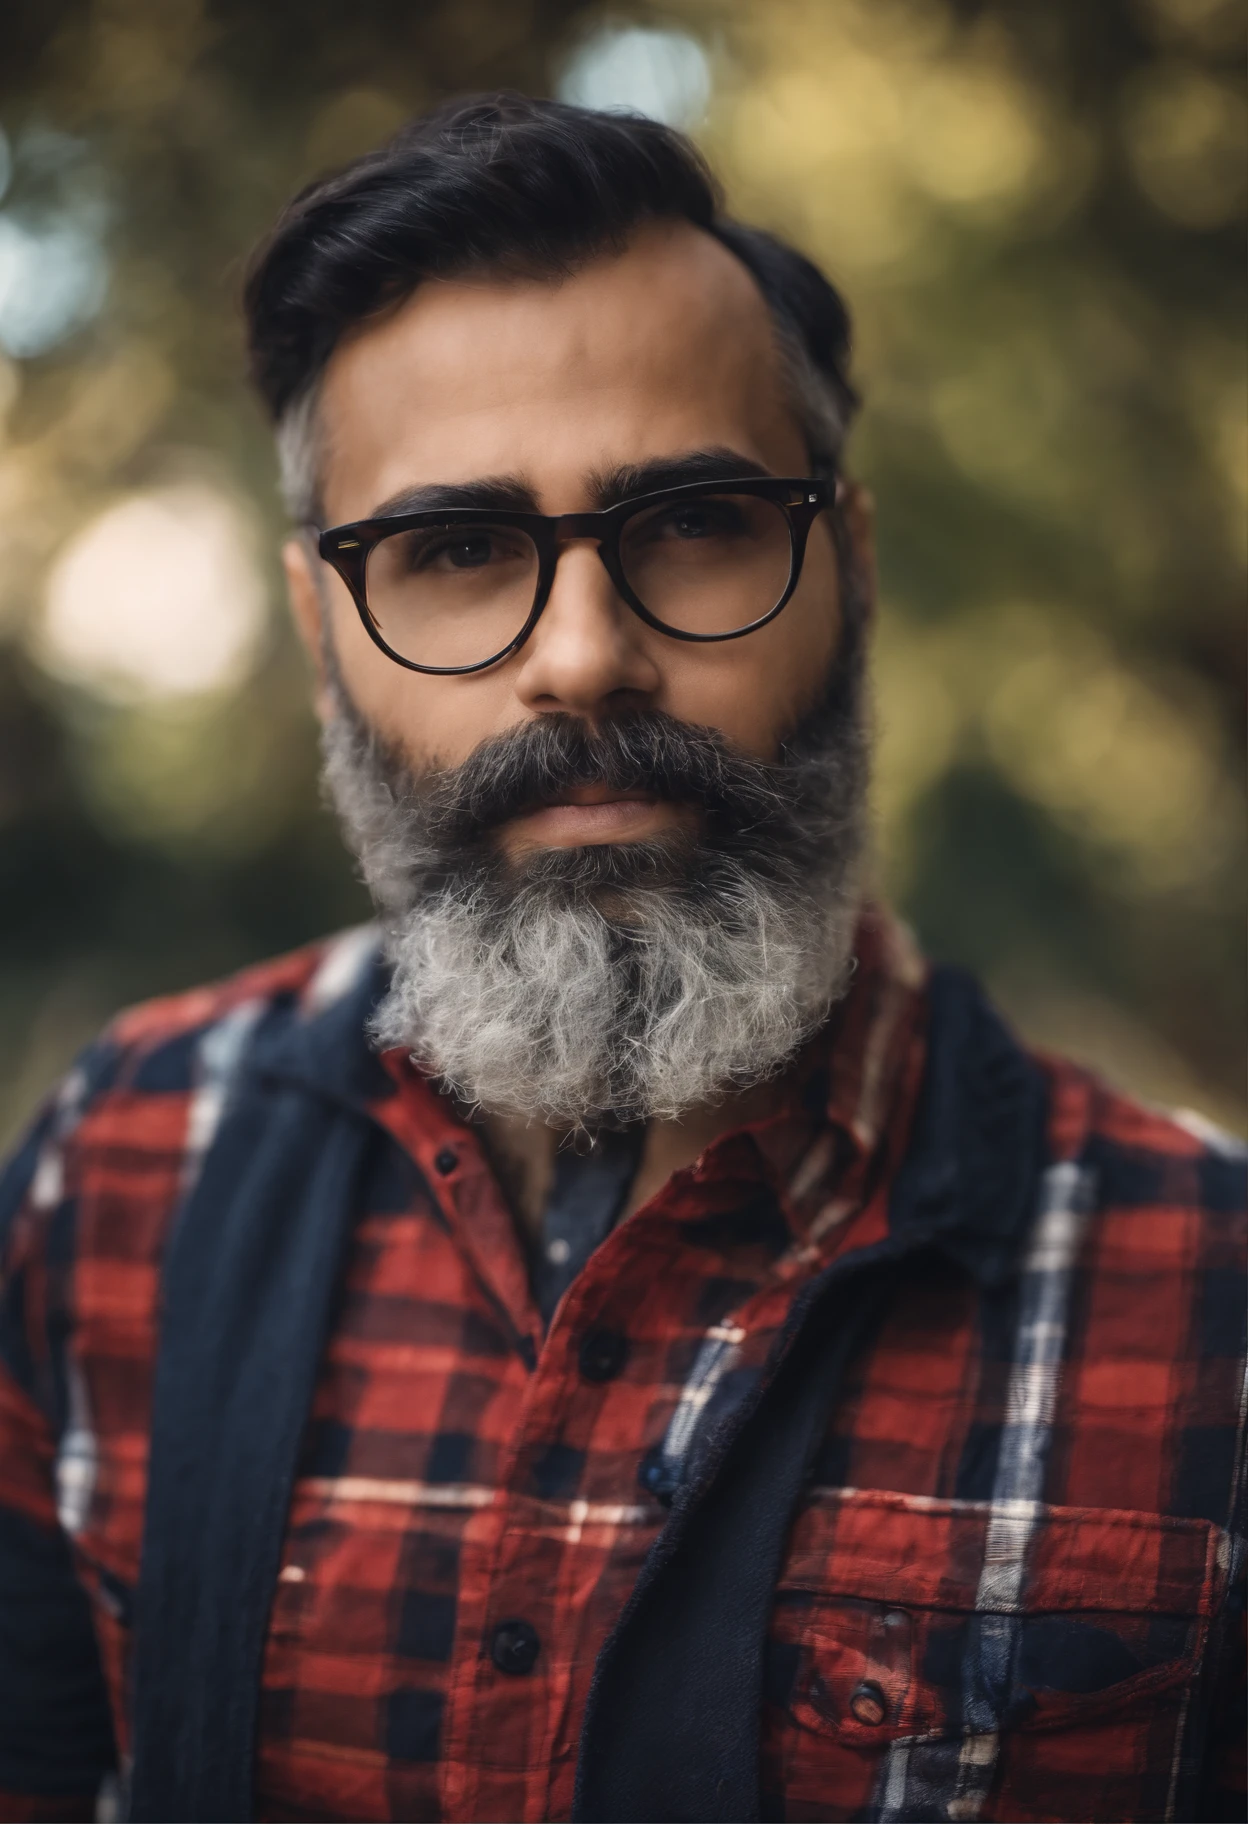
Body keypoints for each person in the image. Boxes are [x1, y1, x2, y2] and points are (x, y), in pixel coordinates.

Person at [0, 93, 1242, 1824]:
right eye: (451, 552)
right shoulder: (109, 1175)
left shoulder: (1212, 1300)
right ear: (320, 633)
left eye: (695, 524)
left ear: (851, 573)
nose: (584, 659)